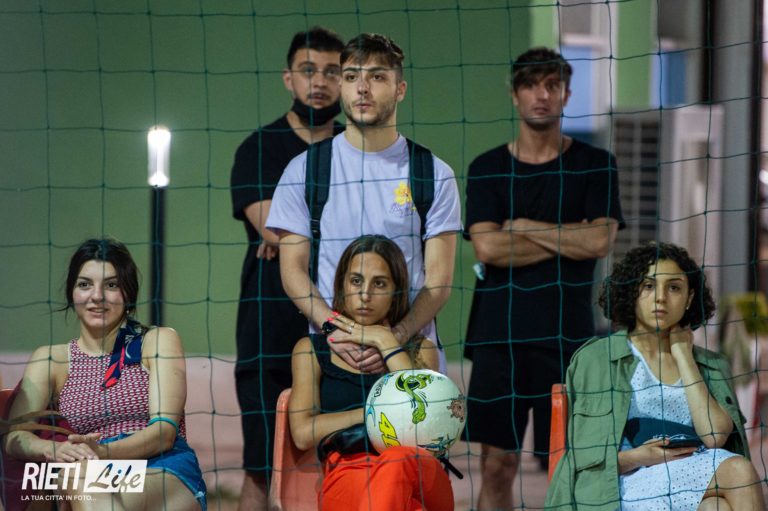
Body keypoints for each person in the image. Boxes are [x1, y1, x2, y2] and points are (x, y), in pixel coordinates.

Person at [462, 46, 624, 510]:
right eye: (531, 85)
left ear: (567, 94)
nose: (542, 95)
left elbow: (599, 241)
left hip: (567, 337)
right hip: (500, 337)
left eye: (552, 85)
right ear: (514, 94)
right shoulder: (488, 168)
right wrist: (567, 236)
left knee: (570, 466)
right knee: (497, 466)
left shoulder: (595, 164)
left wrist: (524, 228)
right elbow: (488, 248)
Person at [267, 33, 462, 375]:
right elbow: (293, 271)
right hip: (334, 355)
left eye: (377, 77)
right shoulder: (304, 170)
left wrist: (392, 339)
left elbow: (439, 281)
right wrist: (334, 330)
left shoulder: (434, 173)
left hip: (411, 356)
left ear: (400, 89)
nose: (362, 88)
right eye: (351, 76)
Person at [546, 241, 764, 510]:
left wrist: (684, 356)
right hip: (625, 481)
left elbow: (715, 437)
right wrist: (638, 457)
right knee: (740, 472)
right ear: (631, 292)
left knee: (715, 507)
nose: (660, 297)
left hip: (694, 471)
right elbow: (580, 459)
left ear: (689, 298)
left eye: (674, 288)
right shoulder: (596, 359)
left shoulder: (711, 364)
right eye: (648, 286)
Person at [229, 26, 344, 510]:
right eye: (308, 70)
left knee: (341, 467)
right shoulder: (258, 149)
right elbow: (270, 226)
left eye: (332, 72)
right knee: (260, 470)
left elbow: (285, 232)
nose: (320, 81)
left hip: (343, 329)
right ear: (288, 78)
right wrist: (327, 227)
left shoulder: (359, 148)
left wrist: (290, 230)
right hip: (269, 328)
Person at [2, 238, 206, 510]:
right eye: (85, 284)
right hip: (88, 469)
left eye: (111, 285)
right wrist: (55, 450)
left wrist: (102, 452)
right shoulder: (51, 359)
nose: (97, 296)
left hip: (159, 466)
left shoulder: (156, 340)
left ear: (128, 293)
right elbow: (14, 437)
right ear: (71, 292)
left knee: (78, 478)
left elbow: (163, 433)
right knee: (73, 477)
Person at [288, 235, 453, 511]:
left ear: (397, 291)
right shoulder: (310, 350)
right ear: (342, 284)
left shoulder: (421, 350)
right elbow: (303, 433)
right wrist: (374, 413)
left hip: (417, 470)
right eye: (356, 281)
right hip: (348, 471)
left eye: (379, 283)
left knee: (397, 461)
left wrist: (386, 342)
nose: (365, 294)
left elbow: (423, 420)